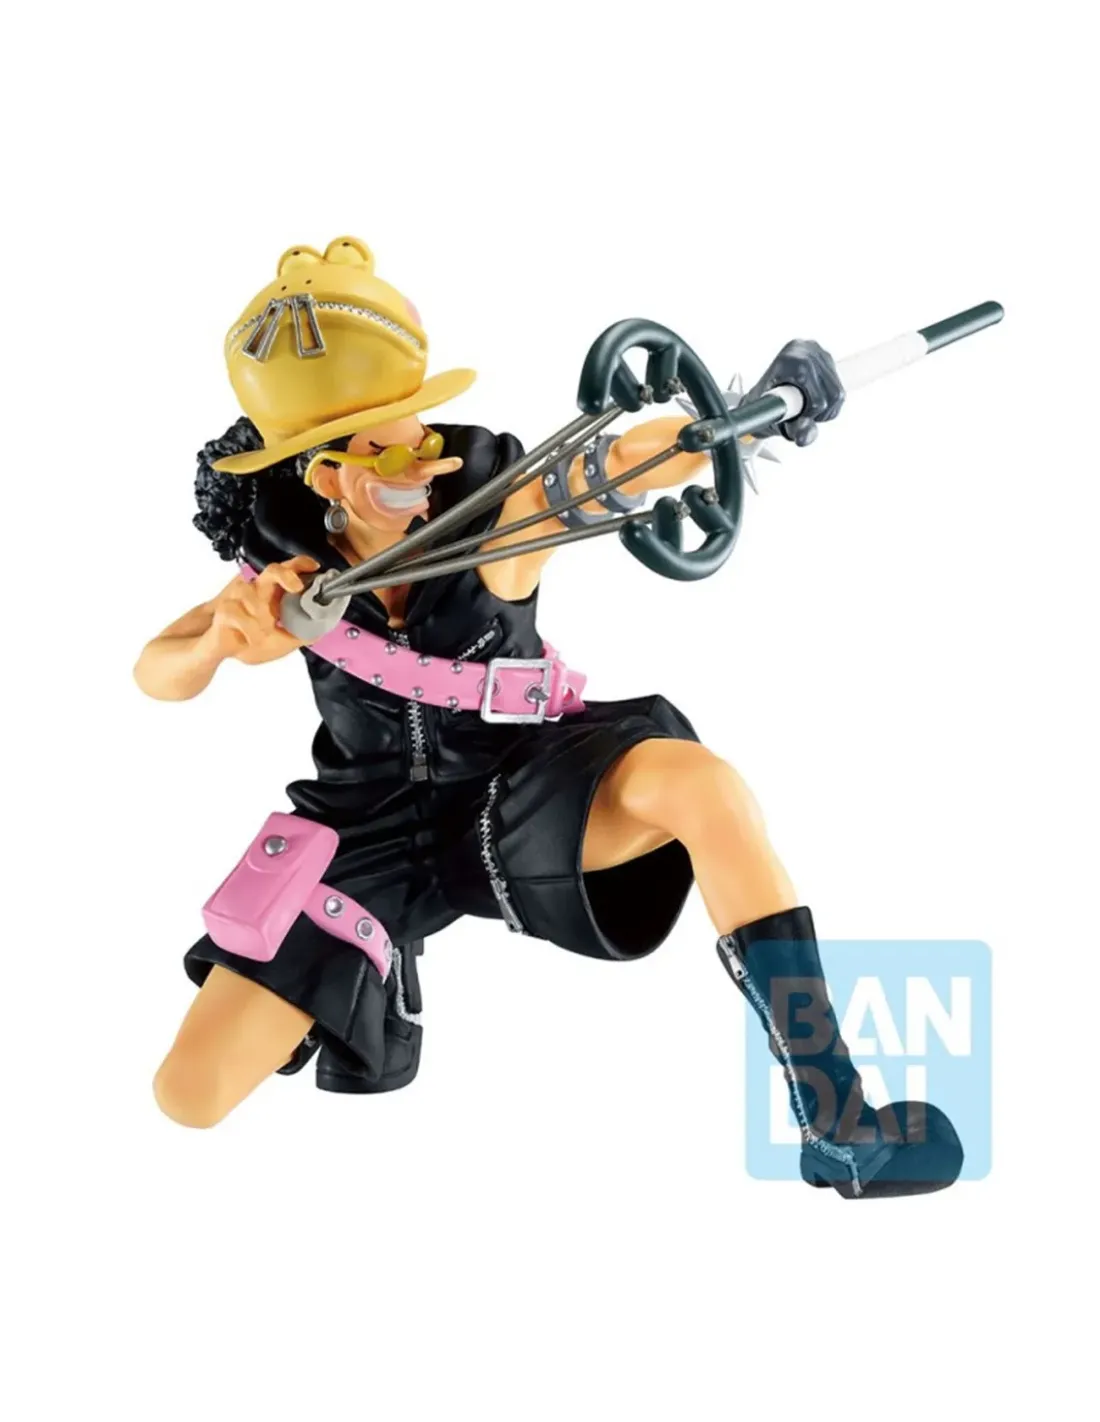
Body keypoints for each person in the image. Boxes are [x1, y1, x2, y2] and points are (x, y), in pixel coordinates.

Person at [137, 236, 962, 1197]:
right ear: (323, 477)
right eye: (385, 450)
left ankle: (836, 1120)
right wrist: (219, 640)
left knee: (703, 789)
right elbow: (157, 670)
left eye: (421, 432)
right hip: (363, 830)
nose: (423, 460)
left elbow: (614, 466)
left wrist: (739, 423)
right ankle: (363, 962)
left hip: (520, 788)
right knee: (188, 1093)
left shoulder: (495, 513)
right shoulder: (283, 575)